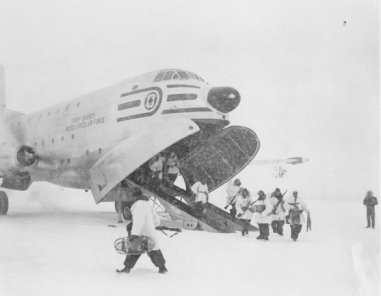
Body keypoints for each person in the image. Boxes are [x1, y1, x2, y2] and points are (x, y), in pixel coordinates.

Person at [116, 187, 168, 274]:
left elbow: (139, 220)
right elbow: (156, 218)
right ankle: (162, 267)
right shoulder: (146, 203)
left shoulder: (138, 204)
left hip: (141, 232)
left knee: (134, 249)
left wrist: (135, 234)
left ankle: (127, 268)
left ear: (133, 195)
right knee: (154, 250)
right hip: (149, 231)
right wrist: (154, 225)